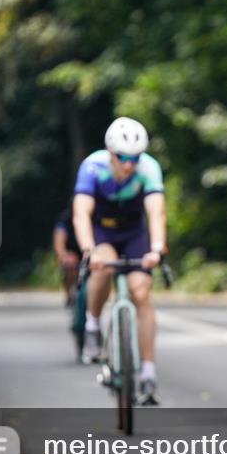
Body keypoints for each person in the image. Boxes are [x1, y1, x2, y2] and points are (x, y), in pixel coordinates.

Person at [71, 117, 167, 405]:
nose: (129, 164)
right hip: (102, 231)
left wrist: (157, 248)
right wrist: (88, 250)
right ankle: (92, 324)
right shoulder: (92, 167)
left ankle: (148, 371)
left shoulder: (148, 168)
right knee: (103, 265)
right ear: (110, 152)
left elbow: (156, 213)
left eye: (134, 158)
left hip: (134, 232)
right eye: (122, 157)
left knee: (141, 292)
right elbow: (81, 213)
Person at [52, 204, 81, 307]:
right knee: (69, 263)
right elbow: (59, 238)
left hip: (89, 249)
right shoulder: (65, 217)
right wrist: (63, 254)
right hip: (71, 249)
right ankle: (69, 293)